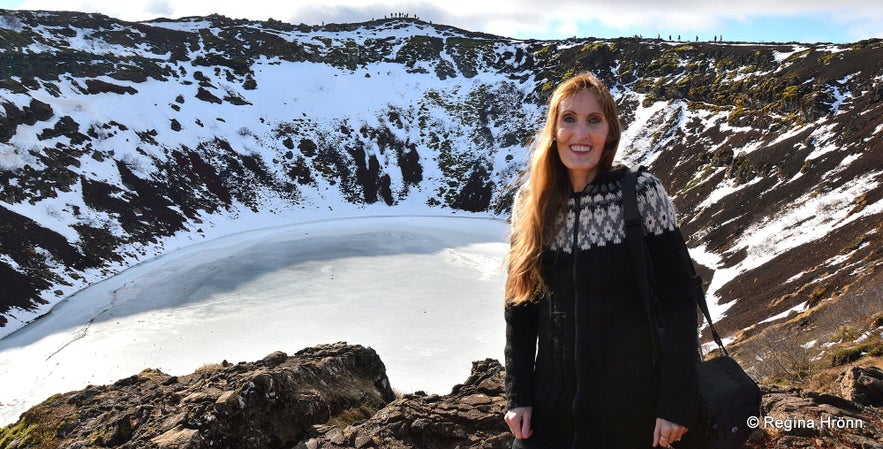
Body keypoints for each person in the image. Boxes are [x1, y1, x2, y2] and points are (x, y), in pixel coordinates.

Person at [503, 72, 699, 448]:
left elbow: (680, 301)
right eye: (569, 119)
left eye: (595, 120)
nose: (581, 133)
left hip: (630, 417)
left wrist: (676, 403)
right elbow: (520, 305)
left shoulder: (642, 194)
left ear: (610, 132)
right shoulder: (532, 202)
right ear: (554, 130)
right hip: (547, 416)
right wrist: (518, 395)